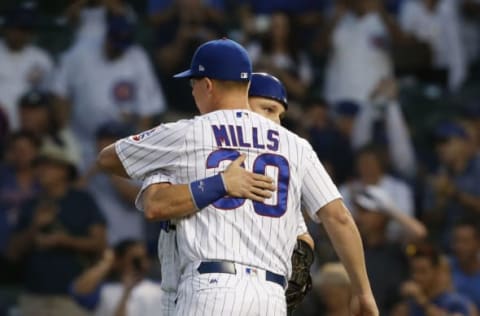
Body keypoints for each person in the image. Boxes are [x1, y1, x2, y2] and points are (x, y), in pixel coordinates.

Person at [98, 38, 378, 315]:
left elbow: (107, 158)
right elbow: (339, 217)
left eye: (193, 83)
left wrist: (176, 170)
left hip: (211, 287)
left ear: (207, 84)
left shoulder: (189, 133)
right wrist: (364, 292)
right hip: (270, 298)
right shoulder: (296, 145)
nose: (193, 91)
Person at [51, 14, 166, 170]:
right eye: (115, 43)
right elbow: (60, 92)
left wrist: (136, 149)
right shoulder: (81, 52)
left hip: (119, 146)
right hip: (80, 142)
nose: (118, 49)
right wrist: (64, 132)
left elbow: (147, 111)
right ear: (106, 36)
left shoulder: (137, 57)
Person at [7, 143, 107, 316]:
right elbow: (12, 252)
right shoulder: (31, 204)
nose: (42, 170)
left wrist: (63, 241)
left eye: (49, 165)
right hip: (34, 295)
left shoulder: (82, 201)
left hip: (73, 297)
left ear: (65, 170)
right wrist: (34, 228)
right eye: (39, 165)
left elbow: (100, 244)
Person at [70, 239, 164, 316]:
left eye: (145, 257)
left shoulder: (160, 287)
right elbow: (79, 292)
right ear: (119, 260)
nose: (143, 264)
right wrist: (107, 262)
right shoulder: (106, 290)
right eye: (136, 260)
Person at [0, 5, 54, 130]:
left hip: (27, 132)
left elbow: (47, 98)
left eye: (25, 29)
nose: (20, 34)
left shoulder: (41, 59)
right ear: (6, 28)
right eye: (17, 28)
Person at [392, 243, 474, 316]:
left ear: (436, 272)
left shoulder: (456, 303)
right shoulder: (409, 307)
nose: (416, 276)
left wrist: (423, 302)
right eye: (414, 271)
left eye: (423, 271)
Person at [450, 219, 480, 310]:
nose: (459, 246)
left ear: (478, 243)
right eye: (456, 241)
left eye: (465, 241)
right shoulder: (445, 270)